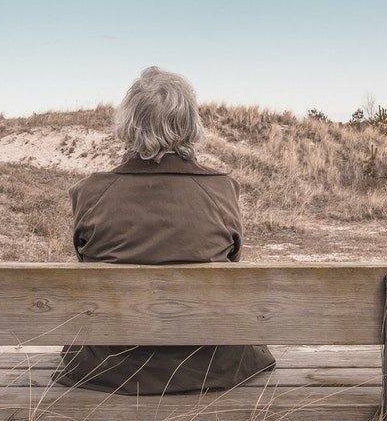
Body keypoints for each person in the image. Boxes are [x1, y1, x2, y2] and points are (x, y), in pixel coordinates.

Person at [53, 66, 276, 398]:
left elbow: (86, 261)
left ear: (129, 126)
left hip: (111, 368)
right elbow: (232, 262)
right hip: (210, 363)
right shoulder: (222, 191)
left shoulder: (90, 193)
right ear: (189, 124)